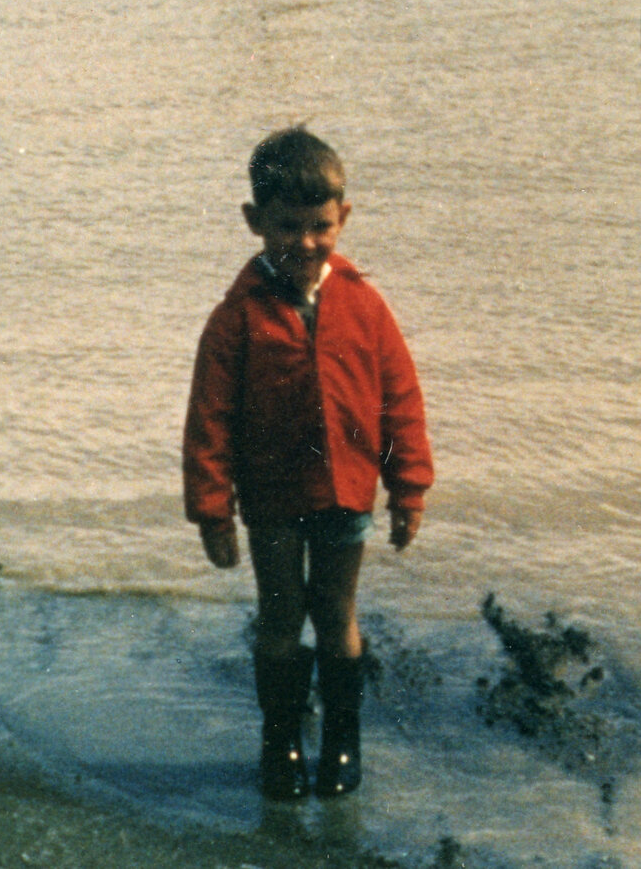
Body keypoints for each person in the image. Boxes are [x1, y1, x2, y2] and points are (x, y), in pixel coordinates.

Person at [183, 127, 433, 800]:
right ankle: (282, 740)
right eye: (286, 225)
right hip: (270, 501)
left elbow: (400, 400)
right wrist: (212, 511)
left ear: (342, 218)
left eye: (320, 225)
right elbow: (207, 421)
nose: (305, 240)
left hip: (348, 494)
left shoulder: (366, 306)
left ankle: (343, 741)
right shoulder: (235, 318)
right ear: (254, 221)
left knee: (337, 614)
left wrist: (408, 487)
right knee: (279, 615)